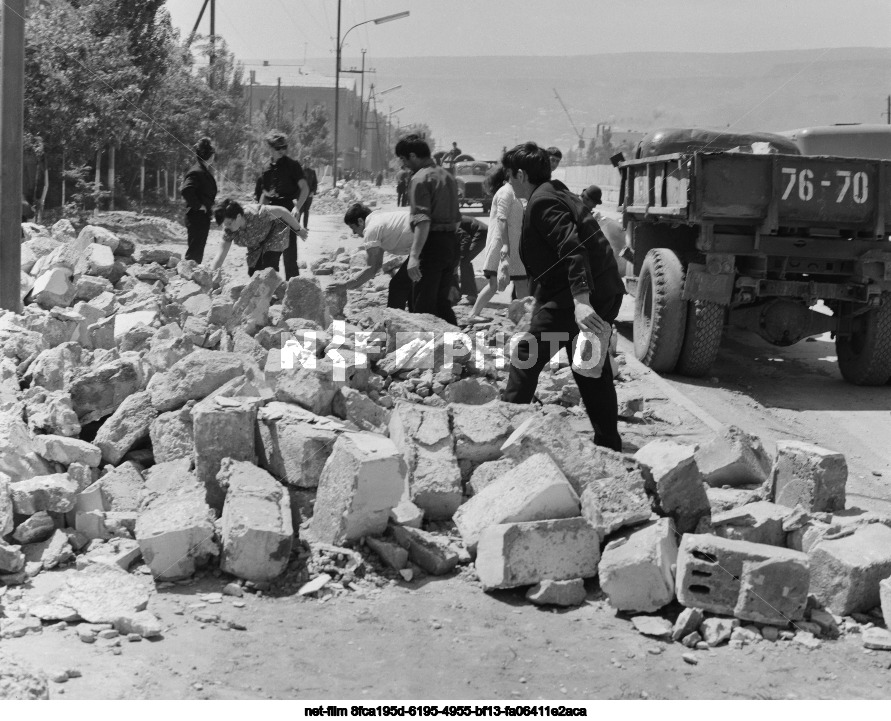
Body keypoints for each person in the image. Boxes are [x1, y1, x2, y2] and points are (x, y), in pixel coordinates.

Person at [501, 142, 625, 452]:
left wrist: (581, 302)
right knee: (589, 367)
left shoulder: (543, 202)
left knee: (525, 357)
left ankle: (504, 435)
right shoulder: (557, 192)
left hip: (577, 298)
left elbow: (571, 248)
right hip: (599, 291)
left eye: (509, 176)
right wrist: (539, 301)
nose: (508, 182)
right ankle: (608, 443)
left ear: (520, 174)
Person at [396, 133, 461, 325]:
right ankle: (456, 348)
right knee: (442, 303)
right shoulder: (448, 176)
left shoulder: (419, 179)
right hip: (451, 244)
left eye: (403, 159)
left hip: (432, 245)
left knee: (422, 305)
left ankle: (426, 352)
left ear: (413, 156)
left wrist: (414, 256)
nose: (403, 164)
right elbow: (457, 220)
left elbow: (423, 221)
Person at [465, 164, 526, 324]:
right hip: (502, 246)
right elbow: (501, 219)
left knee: (520, 282)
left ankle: (522, 318)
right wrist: (505, 247)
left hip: (512, 246)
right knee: (495, 284)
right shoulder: (506, 192)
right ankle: (473, 314)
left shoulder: (515, 193)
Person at [331, 203, 414, 309]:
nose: (354, 233)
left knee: (398, 286)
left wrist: (345, 285)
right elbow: (377, 265)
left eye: (353, 227)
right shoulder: (379, 219)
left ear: (360, 221)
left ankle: (391, 323)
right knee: (412, 286)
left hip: (425, 243)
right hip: (429, 239)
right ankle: (413, 318)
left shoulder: (371, 229)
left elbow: (372, 269)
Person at [254, 131, 309, 279]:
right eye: (278, 148)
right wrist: (259, 214)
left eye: (284, 147)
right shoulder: (265, 168)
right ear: (270, 148)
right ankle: (270, 290)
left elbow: (305, 188)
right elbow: (264, 194)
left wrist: (297, 207)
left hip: (289, 210)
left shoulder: (293, 165)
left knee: (290, 255)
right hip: (271, 211)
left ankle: (294, 290)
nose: (282, 151)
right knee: (270, 255)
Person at [210, 198, 307, 276]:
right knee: (254, 273)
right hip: (257, 243)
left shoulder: (258, 213)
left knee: (268, 266)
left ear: (238, 216)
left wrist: (299, 229)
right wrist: (210, 277)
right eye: (224, 224)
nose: (227, 227)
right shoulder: (229, 230)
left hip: (275, 233)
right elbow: (220, 255)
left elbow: (282, 211)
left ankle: (273, 294)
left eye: (229, 223)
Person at [180, 136, 218, 264]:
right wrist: (199, 206)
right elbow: (186, 190)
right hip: (196, 217)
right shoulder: (197, 171)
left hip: (202, 218)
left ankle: (192, 276)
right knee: (194, 253)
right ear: (211, 156)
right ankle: (189, 278)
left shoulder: (203, 170)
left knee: (197, 251)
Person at [455, 214, 487, 305]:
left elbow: (465, 238)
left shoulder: (450, 221)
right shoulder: (449, 218)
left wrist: (460, 255)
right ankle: (464, 293)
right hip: (478, 232)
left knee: (464, 261)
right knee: (463, 261)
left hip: (481, 233)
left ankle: (471, 295)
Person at [301, 158, 319, 229]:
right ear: (304, 162)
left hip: (309, 195)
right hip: (301, 195)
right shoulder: (299, 171)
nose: (308, 164)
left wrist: (313, 192)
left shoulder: (312, 172)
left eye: (309, 162)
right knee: (299, 210)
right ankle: (297, 227)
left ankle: (305, 226)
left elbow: (315, 183)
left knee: (306, 211)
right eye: (307, 162)